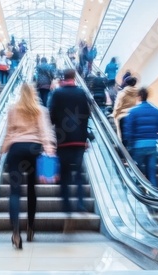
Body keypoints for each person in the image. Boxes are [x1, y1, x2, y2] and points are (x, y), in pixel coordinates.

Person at [1, 83, 56, 249]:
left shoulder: (12, 109)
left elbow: (9, 132)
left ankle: (16, 232)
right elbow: (45, 132)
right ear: (34, 93)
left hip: (16, 149)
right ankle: (30, 228)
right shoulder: (40, 109)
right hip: (34, 149)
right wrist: (49, 149)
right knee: (32, 189)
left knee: (15, 191)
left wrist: (2, 150)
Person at [49, 69, 90, 215]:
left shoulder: (57, 93)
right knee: (78, 173)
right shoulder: (81, 93)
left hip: (63, 141)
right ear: (74, 77)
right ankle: (80, 204)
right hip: (79, 141)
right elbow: (86, 115)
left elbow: (51, 116)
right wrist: (85, 138)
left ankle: (67, 207)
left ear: (63, 77)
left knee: (64, 174)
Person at [124, 88, 158, 188]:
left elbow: (129, 131)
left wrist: (128, 146)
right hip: (152, 146)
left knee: (138, 172)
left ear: (139, 96)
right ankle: (156, 197)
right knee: (152, 174)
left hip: (138, 146)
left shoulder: (133, 112)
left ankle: (139, 196)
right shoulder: (156, 112)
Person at [112, 76, 138, 147]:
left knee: (122, 136)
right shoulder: (137, 93)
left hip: (122, 116)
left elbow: (118, 106)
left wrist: (114, 115)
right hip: (132, 116)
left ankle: (123, 152)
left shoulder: (122, 93)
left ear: (126, 83)